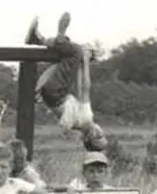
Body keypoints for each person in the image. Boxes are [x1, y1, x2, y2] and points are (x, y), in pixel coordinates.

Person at [27, 12, 108, 152]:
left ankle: (60, 36)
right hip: (54, 94)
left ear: (88, 138)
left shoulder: (87, 119)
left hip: (56, 92)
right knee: (67, 55)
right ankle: (40, 40)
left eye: (98, 136)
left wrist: (86, 61)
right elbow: (77, 85)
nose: (100, 132)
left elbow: (85, 87)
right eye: (102, 135)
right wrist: (82, 64)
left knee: (75, 51)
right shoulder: (78, 125)